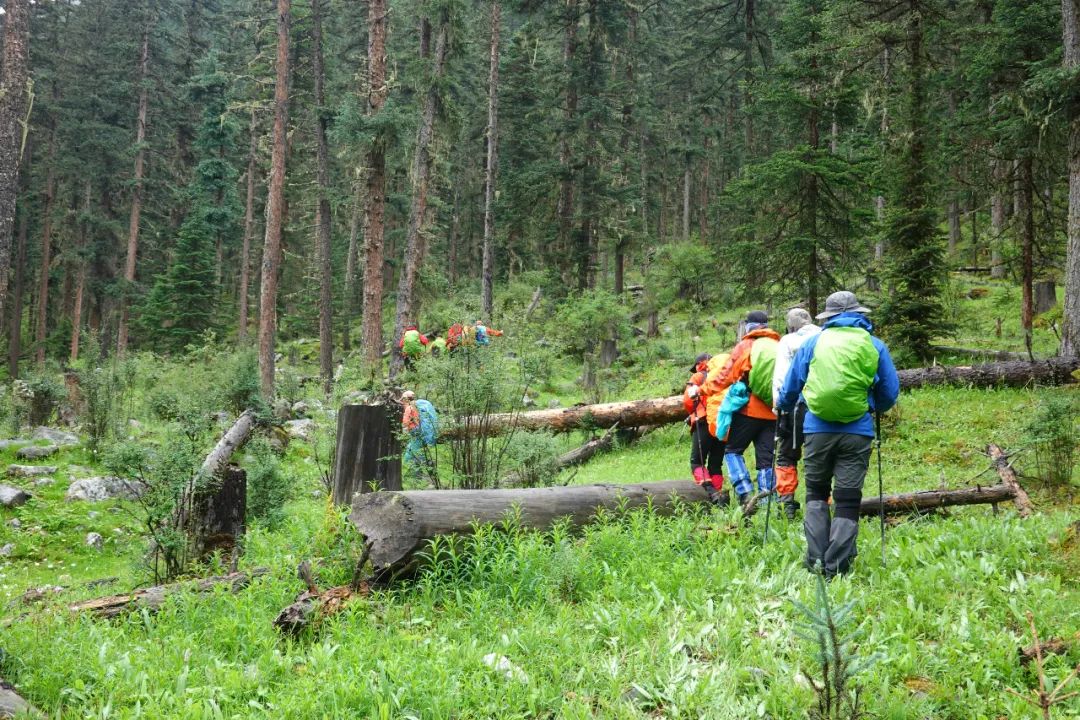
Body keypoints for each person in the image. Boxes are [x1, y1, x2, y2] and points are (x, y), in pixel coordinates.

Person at [776, 291, 900, 579]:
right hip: (857, 432)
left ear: (828, 317)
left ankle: (816, 560)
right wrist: (873, 407)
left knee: (816, 493)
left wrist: (782, 406)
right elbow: (890, 393)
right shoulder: (874, 345)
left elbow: (792, 386)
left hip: (817, 430)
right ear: (859, 314)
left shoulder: (812, 343)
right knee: (847, 498)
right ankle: (837, 566)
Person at [702, 310, 780, 508]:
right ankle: (767, 500)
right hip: (772, 412)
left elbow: (725, 376)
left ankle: (745, 493)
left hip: (748, 411)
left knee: (733, 451)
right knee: (766, 458)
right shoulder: (778, 344)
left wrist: (703, 389)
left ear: (749, 325)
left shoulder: (746, 345)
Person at [771, 308, 821, 520]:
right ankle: (820, 504)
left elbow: (781, 376)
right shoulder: (824, 336)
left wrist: (778, 407)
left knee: (786, 455)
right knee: (818, 456)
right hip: (820, 404)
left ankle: (787, 504)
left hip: (794, 406)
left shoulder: (788, 341)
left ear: (790, 325)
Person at [684, 353, 728, 506]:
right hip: (722, 423)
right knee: (716, 464)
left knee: (697, 462)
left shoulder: (698, 376)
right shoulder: (724, 374)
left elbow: (688, 401)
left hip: (703, 421)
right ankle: (720, 497)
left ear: (700, 364)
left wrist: (692, 413)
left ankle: (710, 492)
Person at [401, 390, 439, 483]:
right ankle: (409, 475)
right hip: (422, 432)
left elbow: (405, 422)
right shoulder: (418, 406)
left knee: (417, 454)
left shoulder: (409, 408)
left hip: (415, 433)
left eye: (403, 399)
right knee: (410, 452)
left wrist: (404, 427)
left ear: (406, 399)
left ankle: (420, 476)